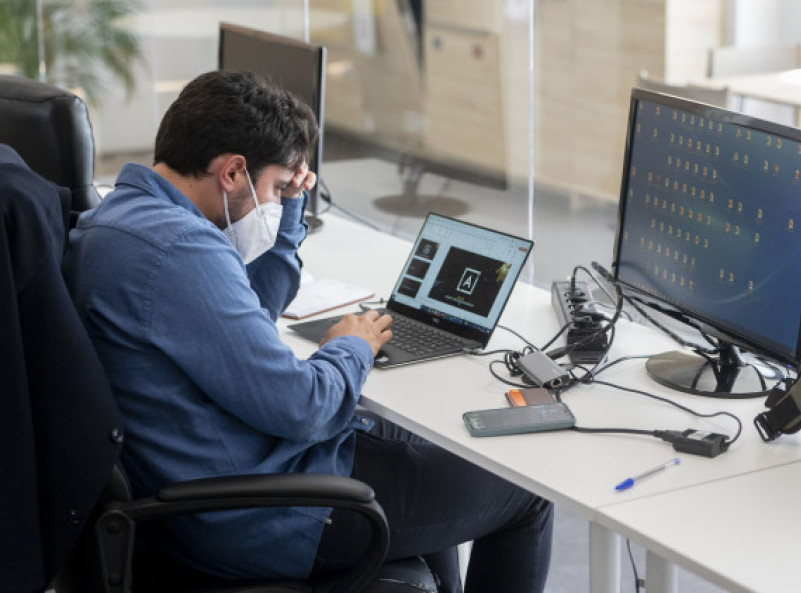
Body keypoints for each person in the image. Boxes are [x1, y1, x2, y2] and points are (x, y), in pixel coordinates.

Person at [64, 70, 552, 593]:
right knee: (527, 492)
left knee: (432, 457)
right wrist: (351, 345)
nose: (276, 201)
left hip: (212, 480)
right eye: (275, 188)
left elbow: (250, 307)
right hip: (263, 513)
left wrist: (288, 207)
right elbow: (302, 407)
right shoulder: (180, 249)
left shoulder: (122, 219)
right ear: (232, 172)